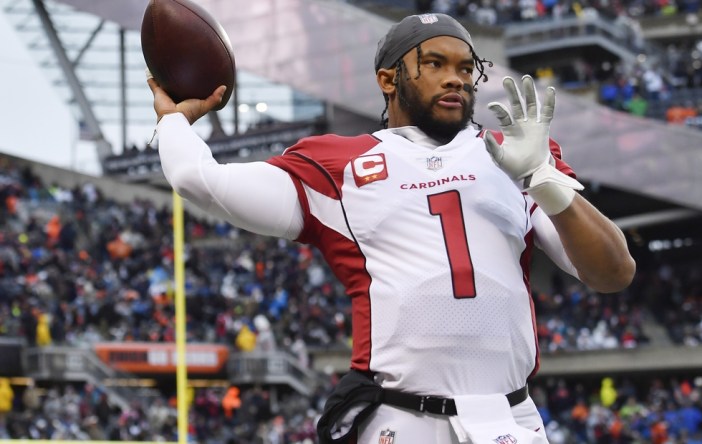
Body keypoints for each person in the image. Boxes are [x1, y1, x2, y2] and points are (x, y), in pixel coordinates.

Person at [147, 12, 635, 444]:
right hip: (403, 421)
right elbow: (200, 180)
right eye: (435, 64)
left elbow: (613, 272)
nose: (455, 80)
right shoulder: (338, 164)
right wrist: (174, 121)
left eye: (466, 69)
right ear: (388, 78)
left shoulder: (515, 154)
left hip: (511, 419)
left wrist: (543, 179)